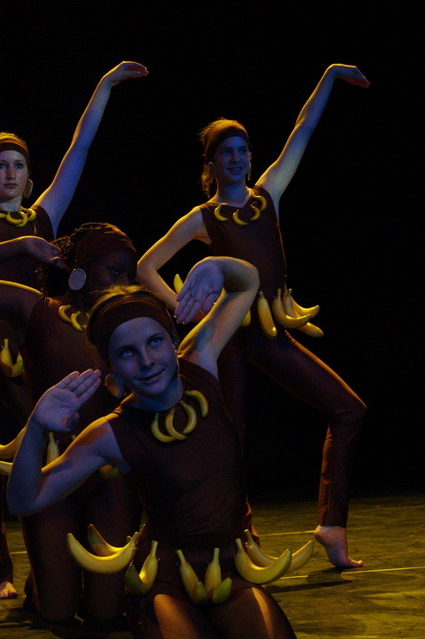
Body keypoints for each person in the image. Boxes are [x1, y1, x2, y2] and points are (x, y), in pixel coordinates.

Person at [4, 254, 302, 639]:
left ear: (172, 341)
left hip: (230, 566)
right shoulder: (110, 432)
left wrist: (218, 264)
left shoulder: (201, 363)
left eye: (155, 342)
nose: (146, 360)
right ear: (111, 369)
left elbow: (246, 284)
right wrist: (37, 428)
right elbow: (26, 498)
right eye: (127, 353)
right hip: (164, 577)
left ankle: (208, 638)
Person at [0, 60, 148, 598]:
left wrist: (104, 86)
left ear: (29, 176)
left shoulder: (45, 218)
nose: (10, 173)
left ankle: (56, 562)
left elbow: (79, 149)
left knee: (46, 446)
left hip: (30, 351)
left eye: (18, 165)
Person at [136, 63, 369, 569]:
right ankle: (237, 536)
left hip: (270, 329)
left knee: (348, 409)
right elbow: (145, 267)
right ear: (211, 162)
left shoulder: (267, 196)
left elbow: (302, 129)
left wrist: (329, 77)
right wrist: (180, 307)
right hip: (231, 337)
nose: (238, 159)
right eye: (227, 152)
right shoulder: (202, 218)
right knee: (229, 436)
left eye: (243, 151)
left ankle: (331, 525)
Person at [0, 223, 143, 624]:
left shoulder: (129, 319)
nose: (124, 284)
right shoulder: (36, 308)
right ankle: (43, 584)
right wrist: (18, 246)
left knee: (105, 615)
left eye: (130, 275)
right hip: (50, 473)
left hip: (111, 474)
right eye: (115, 272)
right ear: (78, 271)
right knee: (58, 613)